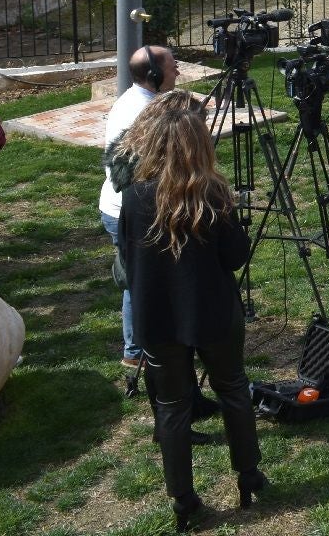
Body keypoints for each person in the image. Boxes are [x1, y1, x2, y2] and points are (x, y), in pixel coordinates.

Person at [117, 90, 264, 531]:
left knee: (172, 406)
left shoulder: (135, 195)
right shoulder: (213, 195)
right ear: (200, 145)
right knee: (233, 390)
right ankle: (248, 474)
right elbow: (236, 257)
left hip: (157, 316)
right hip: (213, 312)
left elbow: (126, 256)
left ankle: (183, 499)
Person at [100, 45, 180, 368]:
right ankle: (136, 354)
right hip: (128, 211)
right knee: (140, 281)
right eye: (173, 67)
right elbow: (141, 171)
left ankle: (142, 348)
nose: (177, 72)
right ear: (154, 75)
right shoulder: (143, 113)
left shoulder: (139, 101)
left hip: (125, 207)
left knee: (141, 278)